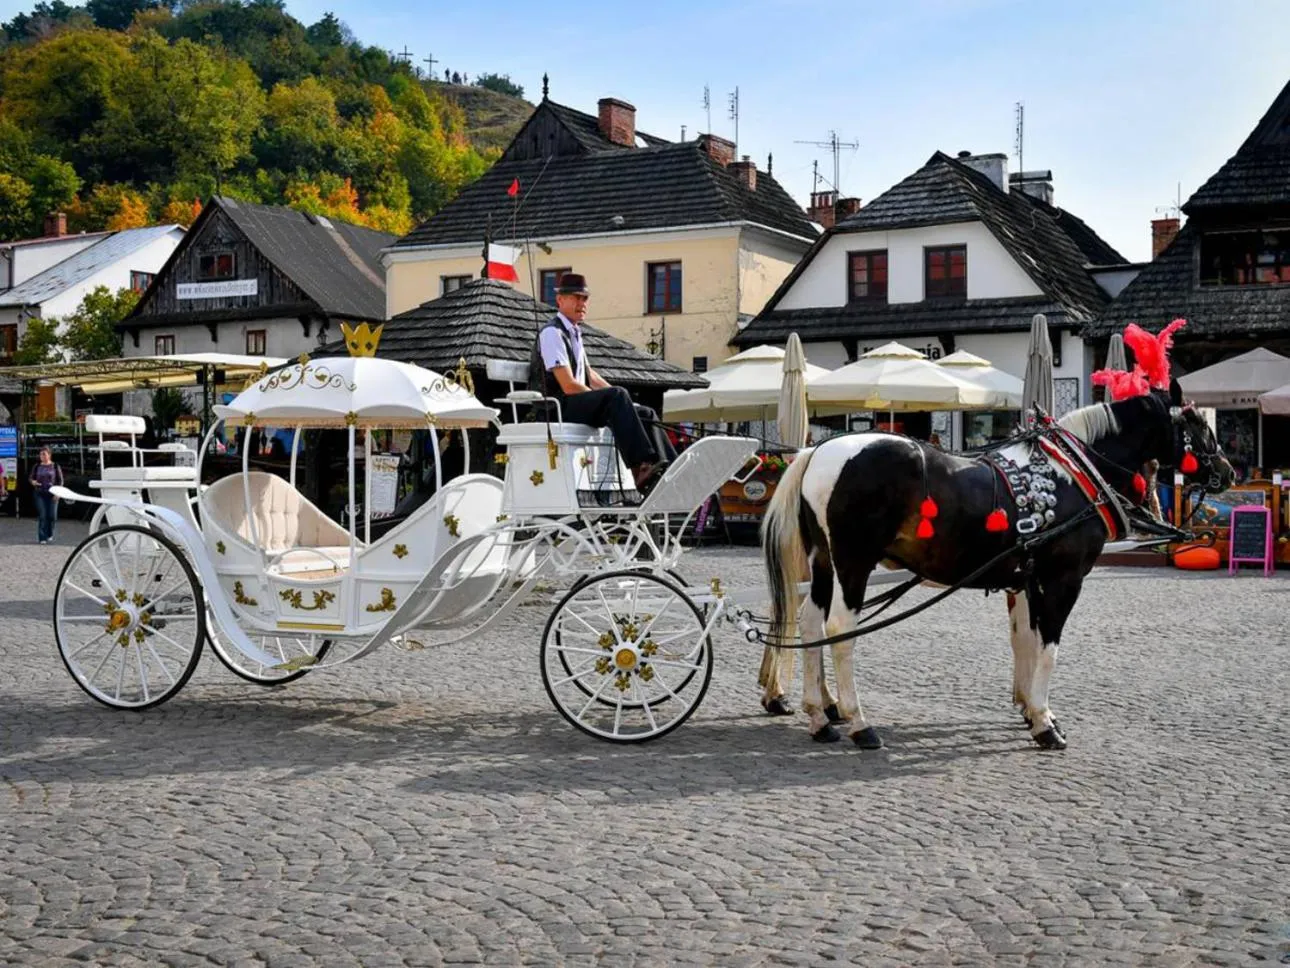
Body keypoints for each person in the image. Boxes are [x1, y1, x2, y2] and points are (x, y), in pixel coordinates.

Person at [529, 273, 672, 491]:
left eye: (585, 298)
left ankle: (671, 468)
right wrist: (610, 399)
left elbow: (590, 376)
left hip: (573, 402)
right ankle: (639, 466)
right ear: (560, 300)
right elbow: (567, 384)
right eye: (576, 297)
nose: (582, 303)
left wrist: (628, 406)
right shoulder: (552, 333)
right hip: (555, 407)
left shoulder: (574, 333)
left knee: (645, 412)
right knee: (617, 396)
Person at [29, 446, 63, 544]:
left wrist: (58, 493)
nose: (42, 456)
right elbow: (31, 478)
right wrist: (33, 482)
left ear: (49, 455)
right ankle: (42, 537)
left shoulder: (55, 466)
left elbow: (60, 481)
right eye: (40, 454)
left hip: (53, 493)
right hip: (40, 493)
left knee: (52, 516)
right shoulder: (36, 466)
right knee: (43, 515)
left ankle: (49, 533)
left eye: (44, 454)